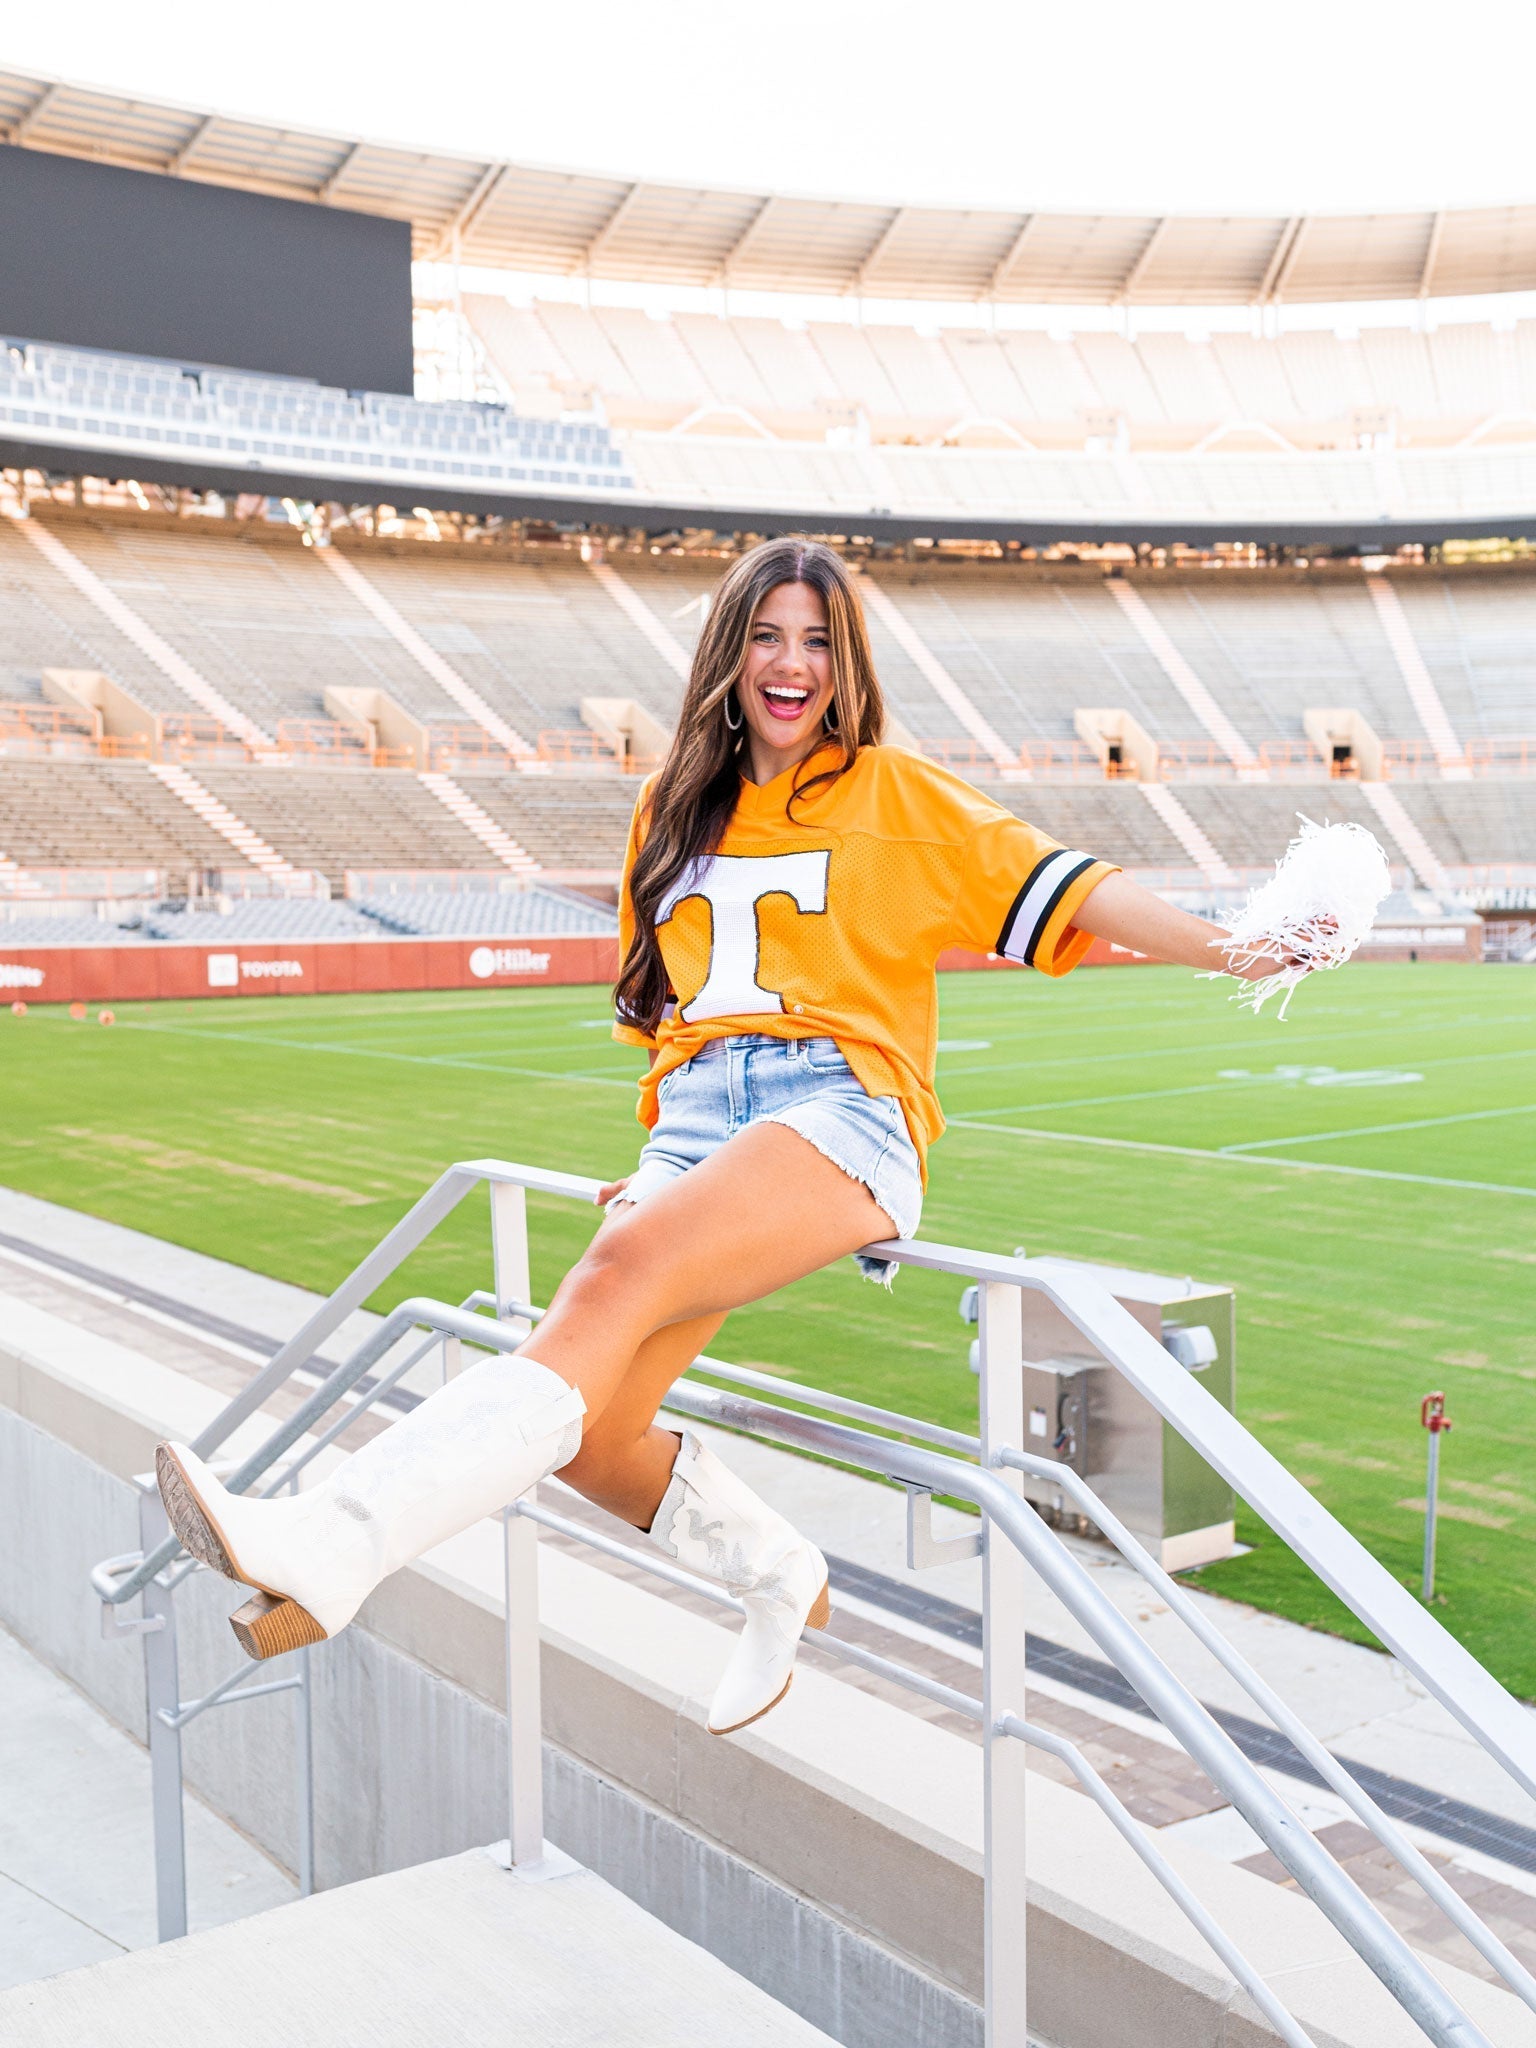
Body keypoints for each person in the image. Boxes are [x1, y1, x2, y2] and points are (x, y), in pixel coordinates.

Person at [155, 537, 1300, 1737]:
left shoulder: (899, 796)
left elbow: (1076, 888)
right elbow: (676, 1021)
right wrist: (661, 1167)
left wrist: (1245, 945)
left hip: (842, 1103)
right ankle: (776, 1576)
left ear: (844, 661)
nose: (791, 663)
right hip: (698, 1118)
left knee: (611, 1278)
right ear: (729, 652)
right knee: (595, 1437)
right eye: (766, 635)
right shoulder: (673, 807)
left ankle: (330, 1537)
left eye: (816, 639)